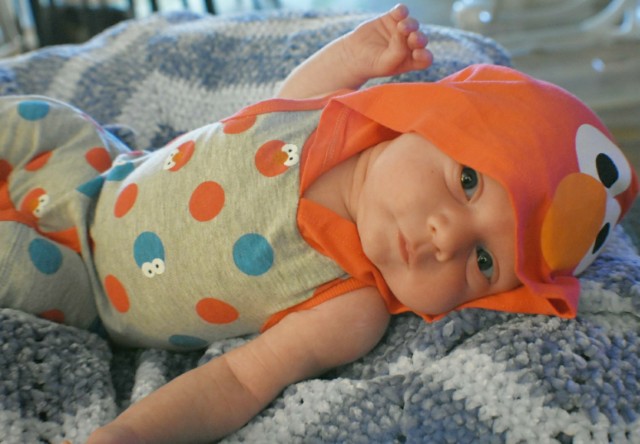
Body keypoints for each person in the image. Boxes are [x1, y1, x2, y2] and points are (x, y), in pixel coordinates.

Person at [0, 4, 636, 443]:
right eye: (467, 181)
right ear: (421, 119)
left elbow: (237, 380)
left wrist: (130, 433)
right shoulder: (323, 111)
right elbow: (279, 97)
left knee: (13, 265)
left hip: (86, 281)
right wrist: (363, 48)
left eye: (485, 261)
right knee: (34, 116)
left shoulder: (350, 309)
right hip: (101, 167)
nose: (446, 238)